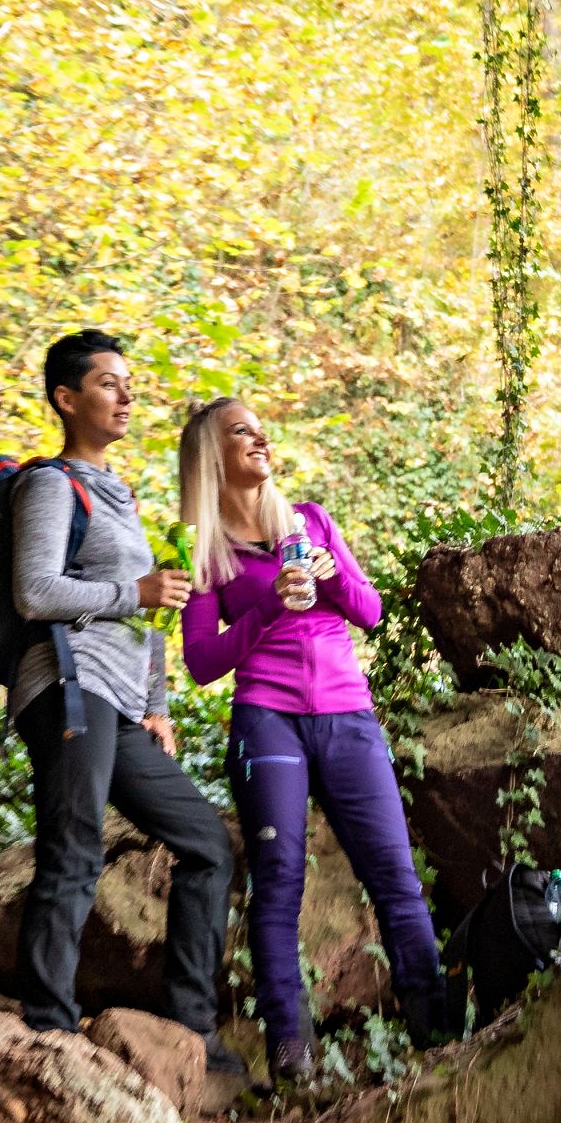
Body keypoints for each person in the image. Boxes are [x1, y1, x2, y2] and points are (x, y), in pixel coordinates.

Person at [175, 398, 446, 1081]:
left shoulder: (311, 522)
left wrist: (334, 573)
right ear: (213, 456)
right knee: (278, 883)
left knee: (395, 876)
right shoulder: (207, 553)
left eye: (260, 428)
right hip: (267, 717)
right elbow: (203, 661)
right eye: (242, 431)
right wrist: (267, 604)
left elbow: (372, 611)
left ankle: (436, 1029)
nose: (261, 437)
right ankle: (291, 1050)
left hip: (347, 714)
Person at [10, 331, 233, 1039]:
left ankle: (191, 1032)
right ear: (66, 399)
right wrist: (129, 591)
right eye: (109, 383)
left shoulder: (122, 497)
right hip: (68, 689)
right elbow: (34, 592)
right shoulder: (50, 485)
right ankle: (48, 1026)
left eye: (128, 383)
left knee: (204, 843)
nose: (126, 395)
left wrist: (157, 707)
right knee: (73, 852)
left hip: (119, 701)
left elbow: (153, 608)